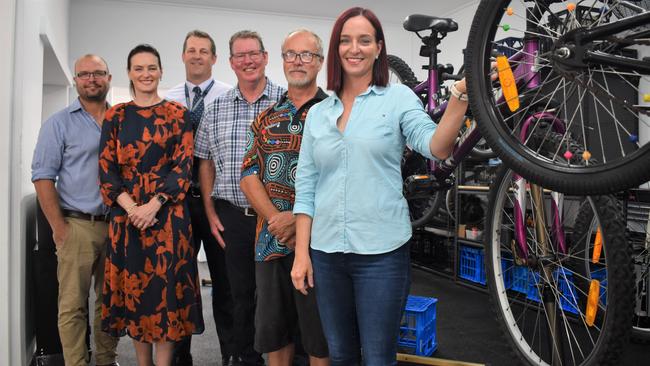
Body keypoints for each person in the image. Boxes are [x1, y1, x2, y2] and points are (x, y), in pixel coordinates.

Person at [290, 7, 469, 366]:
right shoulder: (318, 114)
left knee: (377, 357)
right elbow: (306, 187)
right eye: (346, 40)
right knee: (339, 355)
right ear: (336, 49)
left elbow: (436, 146)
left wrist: (460, 97)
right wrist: (301, 254)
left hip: (382, 255)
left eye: (364, 40)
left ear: (378, 48)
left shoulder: (398, 99)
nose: (354, 48)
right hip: (325, 254)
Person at [98, 44, 204, 366]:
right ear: (129, 73)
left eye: (152, 68)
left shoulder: (178, 114)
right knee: (136, 300)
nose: (146, 74)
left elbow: (183, 167)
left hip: (168, 220)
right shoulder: (115, 115)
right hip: (126, 221)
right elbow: (106, 169)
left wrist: (153, 205)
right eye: (139, 68)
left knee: (166, 300)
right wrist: (133, 208)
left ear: (161, 71)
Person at [195, 30, 285, 365]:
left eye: (253, 54)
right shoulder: (214, 108)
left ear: (265, 57)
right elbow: (204, 160)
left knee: (277, 296)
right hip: (232, 215)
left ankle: (280, 357)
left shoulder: (286, 101)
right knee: (238, 295)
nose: (247, 61)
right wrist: (208, 208)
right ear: (231, 62)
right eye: (240, 55)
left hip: (278, 217)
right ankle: (243, 358)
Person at [240, 29, 329, 366]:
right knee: (274, 336)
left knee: (320, 339)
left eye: (306, 54)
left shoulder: (336, 114)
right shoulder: (266, 118)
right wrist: (279, 221)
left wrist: (300, 220)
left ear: (319, 62)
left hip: (322, 244)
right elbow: (248, 174)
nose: (297, 61)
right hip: (270, 245)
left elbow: (344, 178)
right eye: (291, 54)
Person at [32, 54, 120, 366]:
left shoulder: (121, 119)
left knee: (110, 303)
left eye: (99, 73)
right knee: (72, 304)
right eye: (85, 74)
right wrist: (59, 228)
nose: (92, 79)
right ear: (75, 80)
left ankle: (106, 360)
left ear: (109, 78)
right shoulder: (59, 123)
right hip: (77, 225)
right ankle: (76, 363)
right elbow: (43, 176)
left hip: (116, 226)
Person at [165, 29, 234, 366]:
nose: (196, 56)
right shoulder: (168, 99)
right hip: (177, 205)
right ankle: (179, 357)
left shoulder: (228, 96)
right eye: (191, 50)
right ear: (183, 56)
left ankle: (231, 355)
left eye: (203, 51)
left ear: (214, 58)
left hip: (217, 203)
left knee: (226, 284)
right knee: (178, 284)